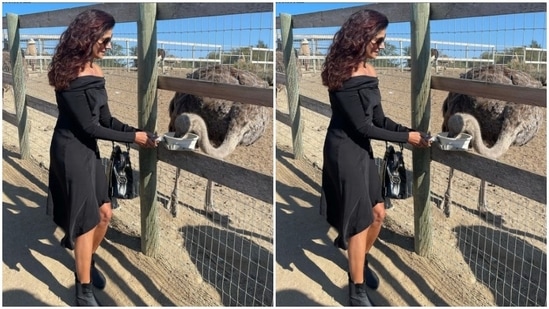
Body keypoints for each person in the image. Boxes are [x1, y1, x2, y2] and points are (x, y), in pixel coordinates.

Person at [319, 9, 431, 306]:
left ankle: (360, 260)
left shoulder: (369, 70)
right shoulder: (342, 75)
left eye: (384, 40)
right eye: (378, 40)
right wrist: (408, 139)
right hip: (344, 151)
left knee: (379, 213)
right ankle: (356, 291)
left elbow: (379, 118)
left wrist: (409, 130)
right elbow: (363, 127)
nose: (382, 45)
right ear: (362, 37)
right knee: (359, 222)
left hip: (362, 151)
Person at [46, 9, 158, 306]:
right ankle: (82, 291)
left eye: (111, 40)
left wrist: (136, 130)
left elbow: (105, 119)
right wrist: (134, 139)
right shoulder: (68, 74)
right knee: (85, 222)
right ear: (88, 36)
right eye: (105, 39)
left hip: (88, 150)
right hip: (70, 150)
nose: (109, 45)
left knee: (105, 213)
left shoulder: (96, 71)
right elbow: (89, 127)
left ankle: (87, 260)